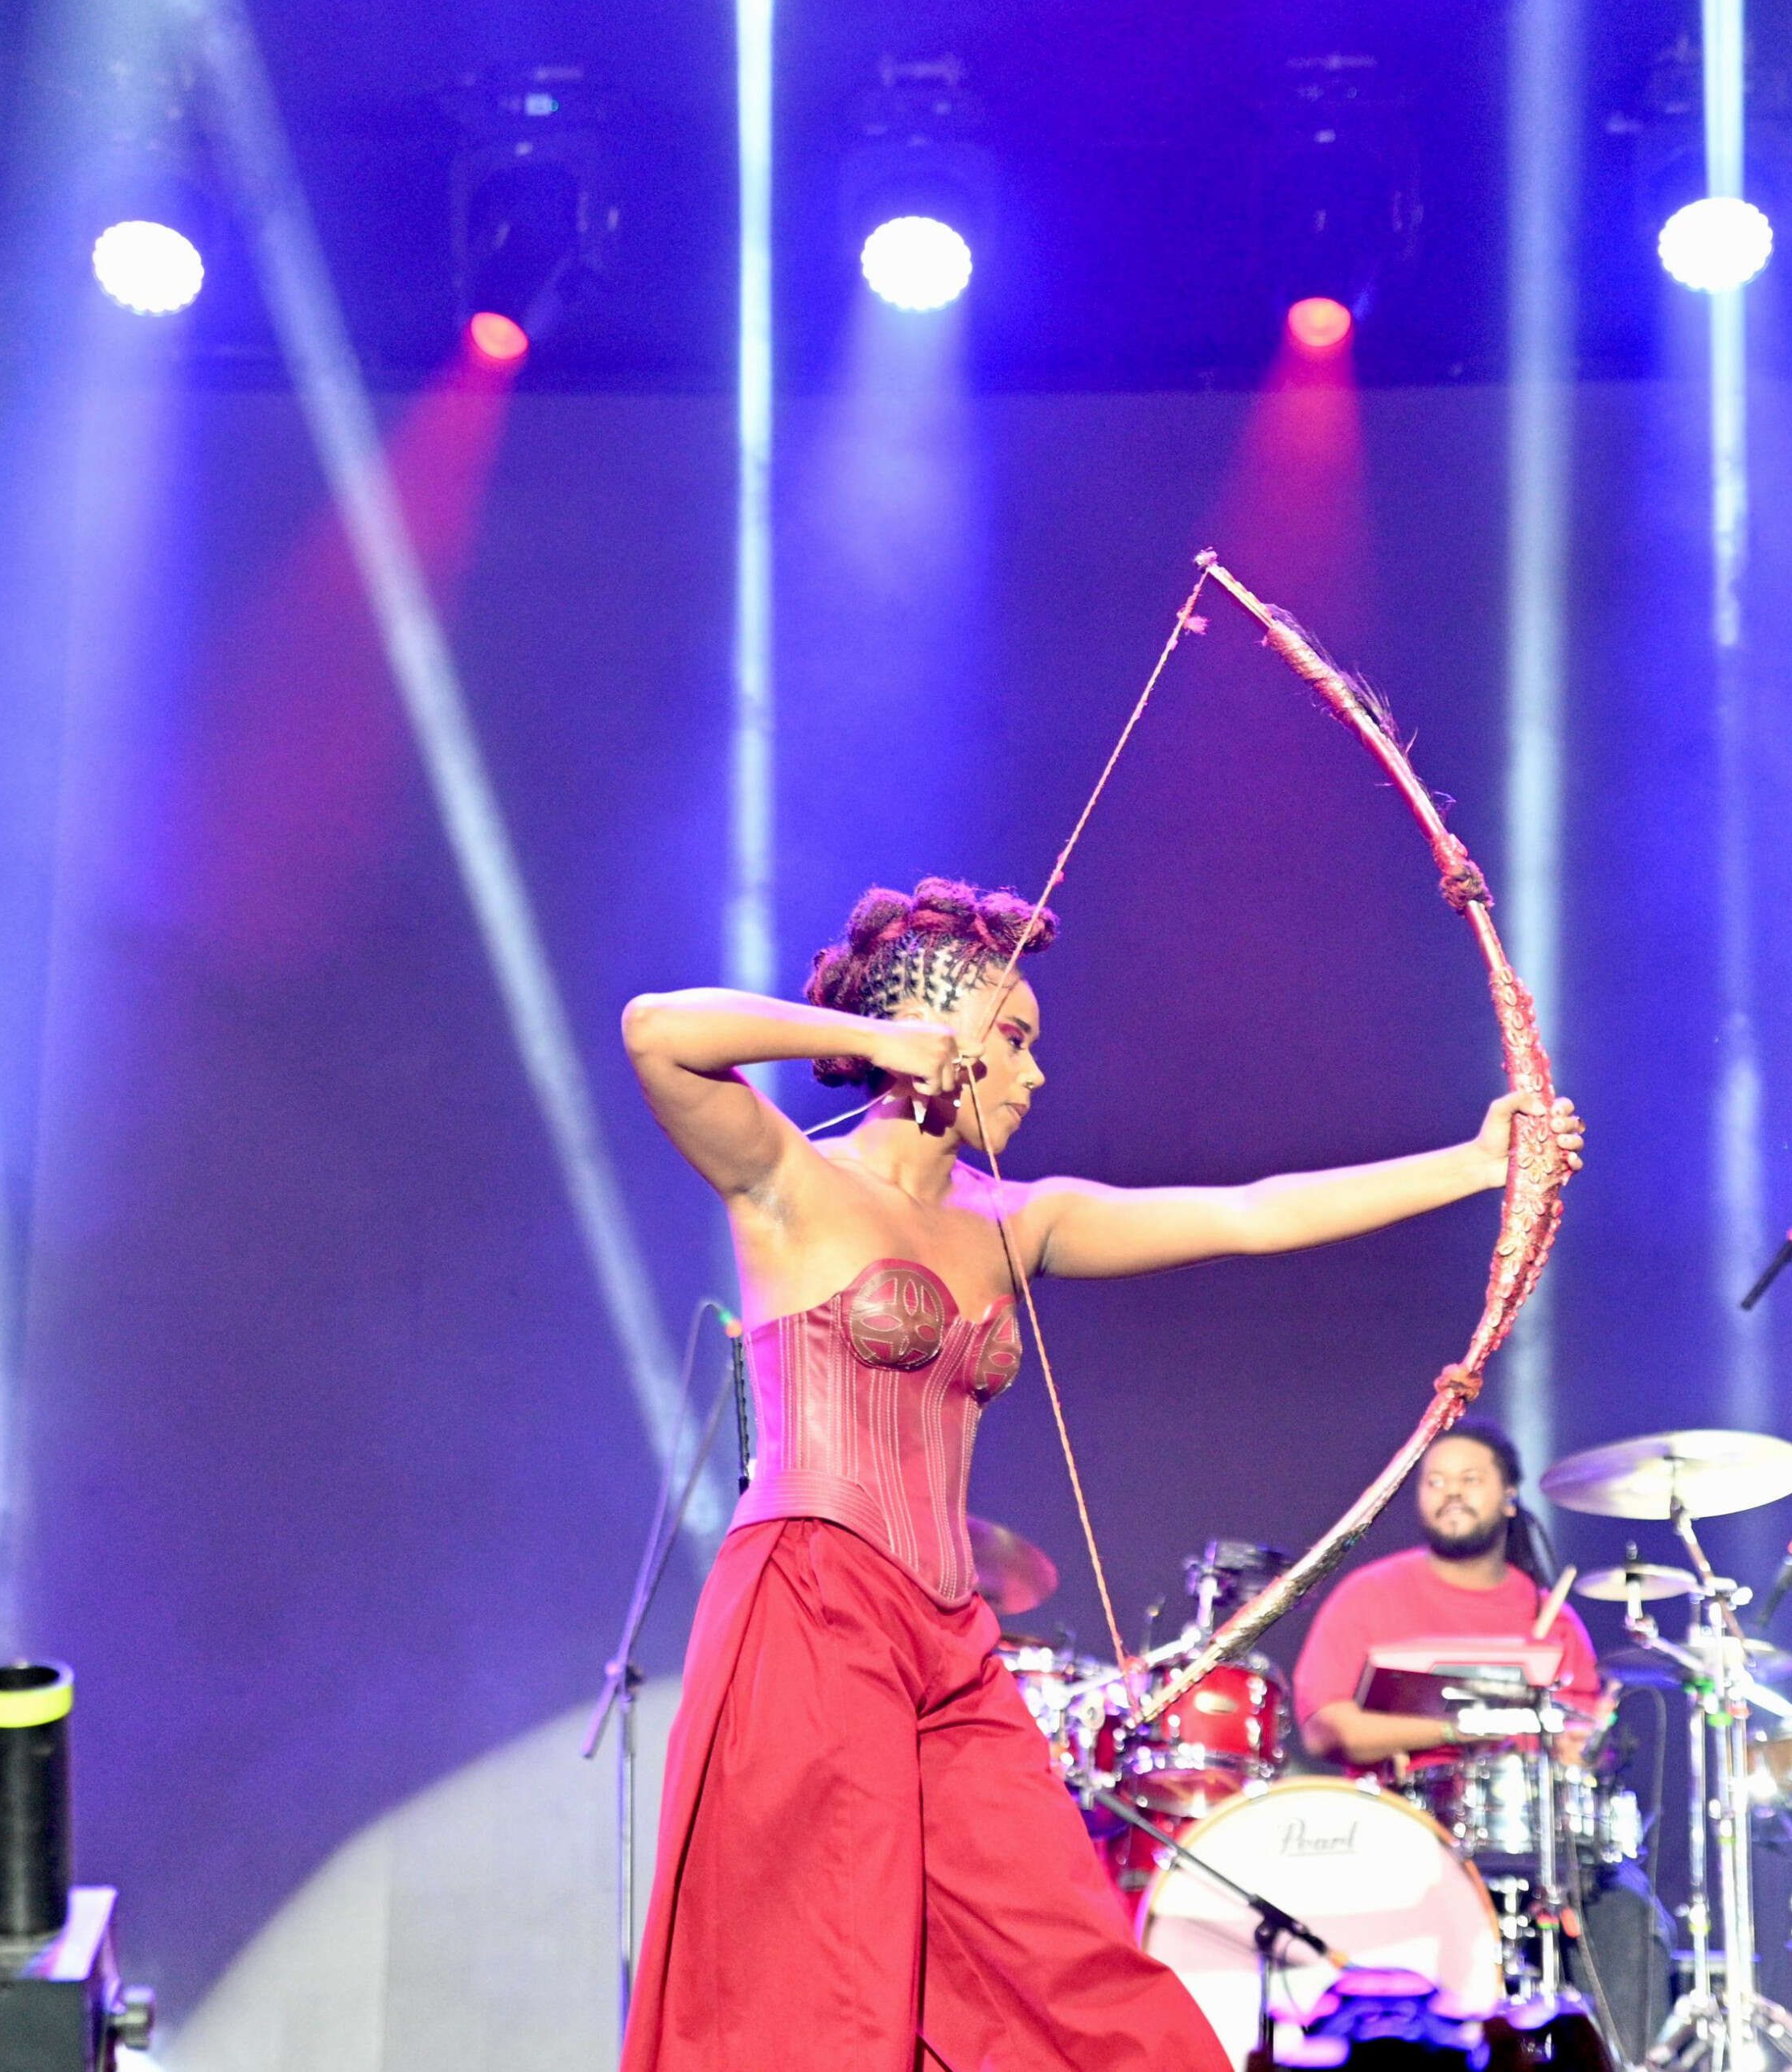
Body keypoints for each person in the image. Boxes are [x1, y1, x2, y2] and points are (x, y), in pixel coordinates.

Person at [616, 877, 1584, 2072]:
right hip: (810, 1605)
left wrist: (1478, 1166)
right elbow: (657, 1030)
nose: (1031, 1073)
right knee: (822, 1988)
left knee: (1077, 1976)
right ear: (939, 1025)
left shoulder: (1021, 1219)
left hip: (949, 1642)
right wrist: (872, 1039)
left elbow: (1249, 1214)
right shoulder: (789, 1180)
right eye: (1012, 1037)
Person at [1293, 1423, 1672, 2060]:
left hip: (1540, 1847)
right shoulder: (1370, 1595)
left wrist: (1586, 1744)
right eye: (1435, 1481)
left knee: (1629, 1911)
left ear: (1508, 1497)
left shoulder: (1549, 1615)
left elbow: (1578, 1747)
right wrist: (1460, 1729)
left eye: (1470, 1479)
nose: (1450, 1493)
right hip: (1406, 1836)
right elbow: (1328, 1725)